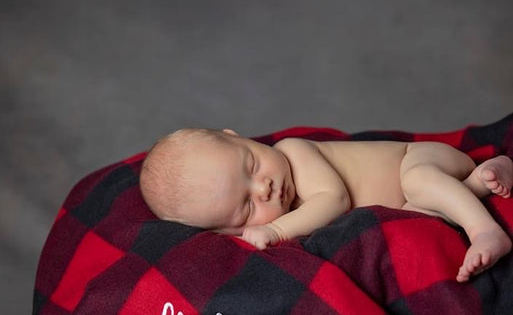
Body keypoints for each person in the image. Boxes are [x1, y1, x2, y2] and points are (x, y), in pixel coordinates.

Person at [139, 127, 513, 282]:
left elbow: (334, 200)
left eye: (251, 165)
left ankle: (485, 231)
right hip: (413, 201)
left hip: (418, 160)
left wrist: (274, 229)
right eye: (247, 206)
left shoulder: (293, 152)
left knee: (419, 182)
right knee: (419, 216)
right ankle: (481, 181)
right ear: (230, 230)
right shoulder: (288, 211)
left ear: (237, 137)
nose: (264, 187)